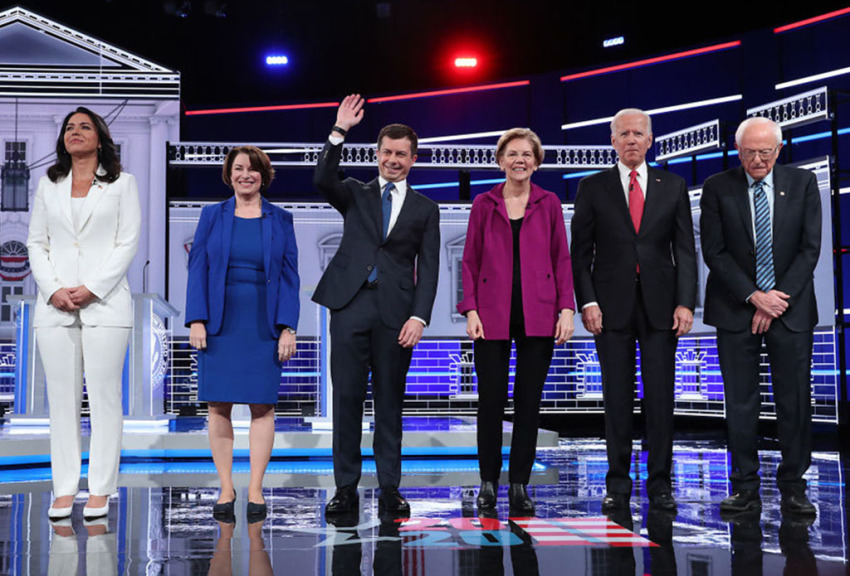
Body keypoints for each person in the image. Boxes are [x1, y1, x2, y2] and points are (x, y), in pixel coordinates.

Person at [313, 94, 440, 517]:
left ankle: (390, 488)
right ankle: (345, 488)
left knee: (390, 404)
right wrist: (339, 130)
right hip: (349, 307)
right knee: (346, 400)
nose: (394, 160)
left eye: (402, 154)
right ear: (377, 154)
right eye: (387, 152)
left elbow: (432, 266)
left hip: (396, 316)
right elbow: (322, 179)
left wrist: (420, 316)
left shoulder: (426, 208)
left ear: (413, 159)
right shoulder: (354, 192)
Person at [570, 108, 697, 512]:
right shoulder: (592, 187)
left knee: (661, 399)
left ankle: (660, 483)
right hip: (609, 308)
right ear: (612, 141)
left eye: (638, 133)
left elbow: (685, 251)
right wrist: (586, 302)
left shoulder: (673, 186)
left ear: (650, 139)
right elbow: (580, 254)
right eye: (623, 133)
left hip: (662, 308)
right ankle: (618, 484)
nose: (630, 140)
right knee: (617, 399)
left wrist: (685, 302)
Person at [700, 117, 820, 517]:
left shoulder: (802, 183)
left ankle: (794, 488)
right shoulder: (718, 187)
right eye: (749, 152)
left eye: (765, 152)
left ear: (778, 150)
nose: (757, 159)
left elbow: (809, 249)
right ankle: (745, 487)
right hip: (736, 310)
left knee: (794, 402)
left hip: (791, 310)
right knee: (740, 402)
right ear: (738, 151)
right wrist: (754, 297)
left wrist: (775, 301)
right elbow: (715, 252)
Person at [27, 107, 141, 520]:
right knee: (61, 402)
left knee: (105, 400)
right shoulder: (48, 185)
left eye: (84, 126)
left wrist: (92, 288)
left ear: (100, 137)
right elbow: (35, 243)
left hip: (106, 304)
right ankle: (64, 487)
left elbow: (126, 243)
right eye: (69, 128)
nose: (75, 132)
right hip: (54, 306)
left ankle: (100, 489)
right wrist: (54, 288)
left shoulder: (122, 184)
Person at [457, 128, 575, 514]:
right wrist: (470, 310)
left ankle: (520, 483)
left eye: (526, 154)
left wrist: (567, 309)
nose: (519, 160)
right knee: (490, 401)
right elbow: (470, 260)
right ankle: (488, 482)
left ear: (536, 161)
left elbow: (562, 259)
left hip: (539, 312)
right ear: (501, 160)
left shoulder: (550, 202)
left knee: (529, 402)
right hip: (490, 314)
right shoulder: (483, 203)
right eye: (512, 154)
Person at [185, 145, 300, 520]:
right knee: (218, 404)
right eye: (238, 168)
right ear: (228, 173)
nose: (245, 174)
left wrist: (288, 327)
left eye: (252, 169)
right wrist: (196, 319)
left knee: (262, 406)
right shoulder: (211, 216)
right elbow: (198, 268)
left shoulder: (281, 219)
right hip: (219, 322)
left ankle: (254, 489)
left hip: (263, 323)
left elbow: (289, 278)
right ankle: (225, 487)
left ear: (263, 174)